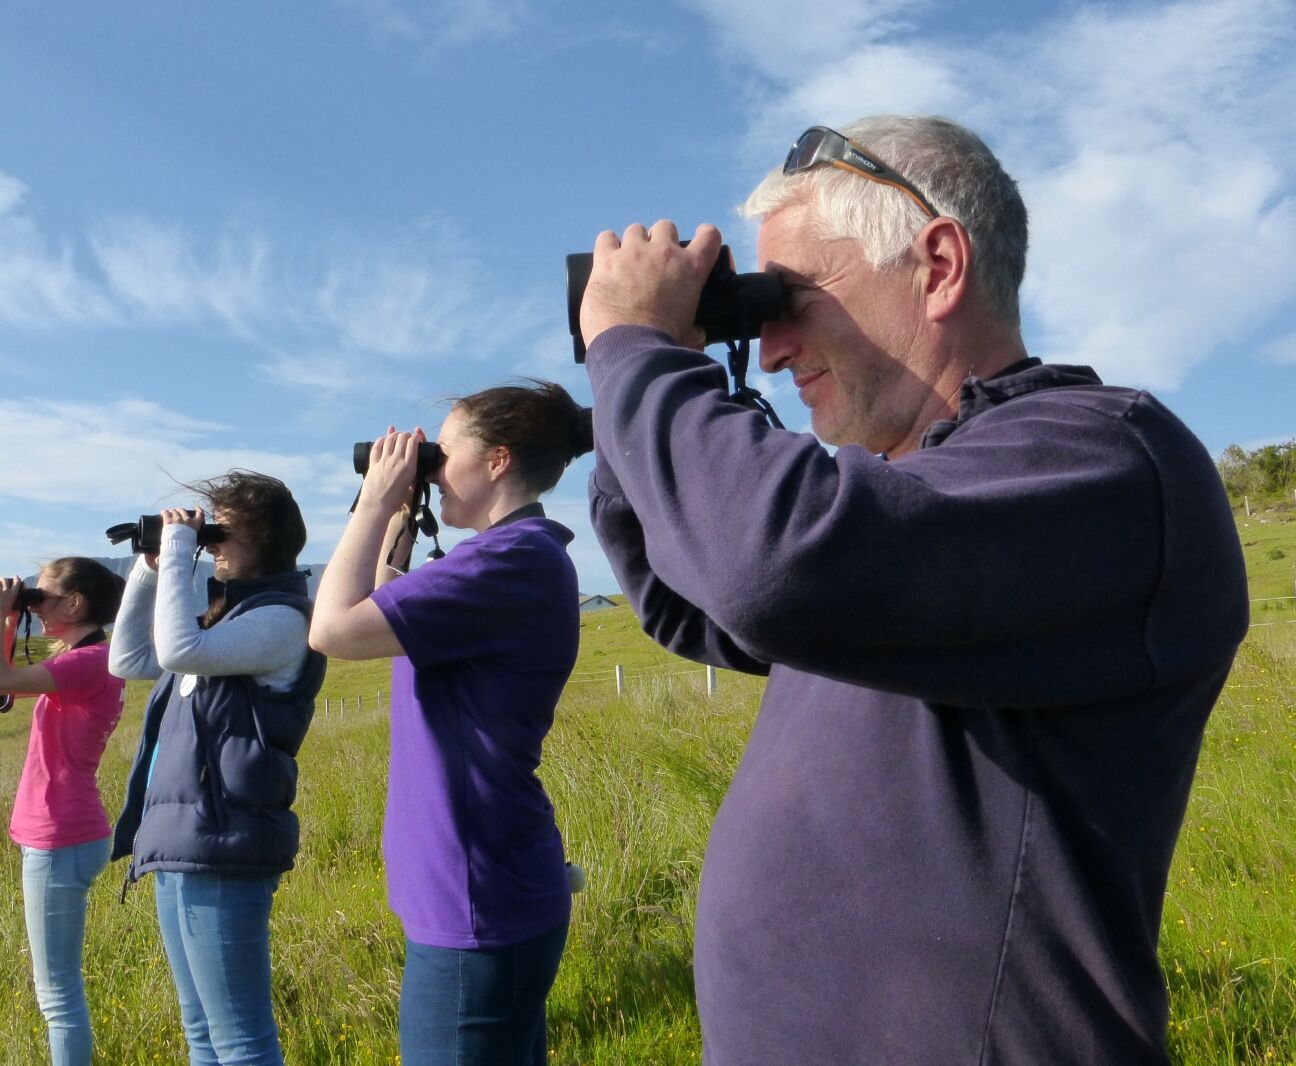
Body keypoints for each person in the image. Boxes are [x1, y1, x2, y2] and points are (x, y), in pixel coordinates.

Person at [576, 116, 1249, 1064]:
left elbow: (769, 567)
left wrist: (639, 355)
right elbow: (697, 605)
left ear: (937, 266)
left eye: (790, 298)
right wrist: (635, 383)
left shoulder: (1105, 459)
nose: (767, 349)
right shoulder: (904, 515)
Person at [309, 380, 592, 1065]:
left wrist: (374, 501)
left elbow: (334, 628)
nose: (430, 467)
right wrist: (402, 516)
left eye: (442, 452)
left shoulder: (507, 562)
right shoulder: (508, 559)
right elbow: (381, 604)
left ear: (496, 460)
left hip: (478, 904)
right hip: (481, 891)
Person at [108, 470, 325, 1066]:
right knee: (201, 1031)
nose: (211, 539)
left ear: (268, 535)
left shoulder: (283, 621)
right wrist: (151, 569)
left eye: (221, 527)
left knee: (242, 1041)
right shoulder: (224, 622)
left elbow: (179, 651)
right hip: (186, 843)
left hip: (226, 844)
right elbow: (129, 658)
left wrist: (180, 551)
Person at [0, 557, 128, 1066]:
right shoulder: (85, 658)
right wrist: (12, 622)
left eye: (44, 596)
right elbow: (9, 686)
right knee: (59, 991)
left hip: (60, 837)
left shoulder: (87, 662)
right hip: (70, 833)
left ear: (75, 603)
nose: (37, 604)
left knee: (57, 997)